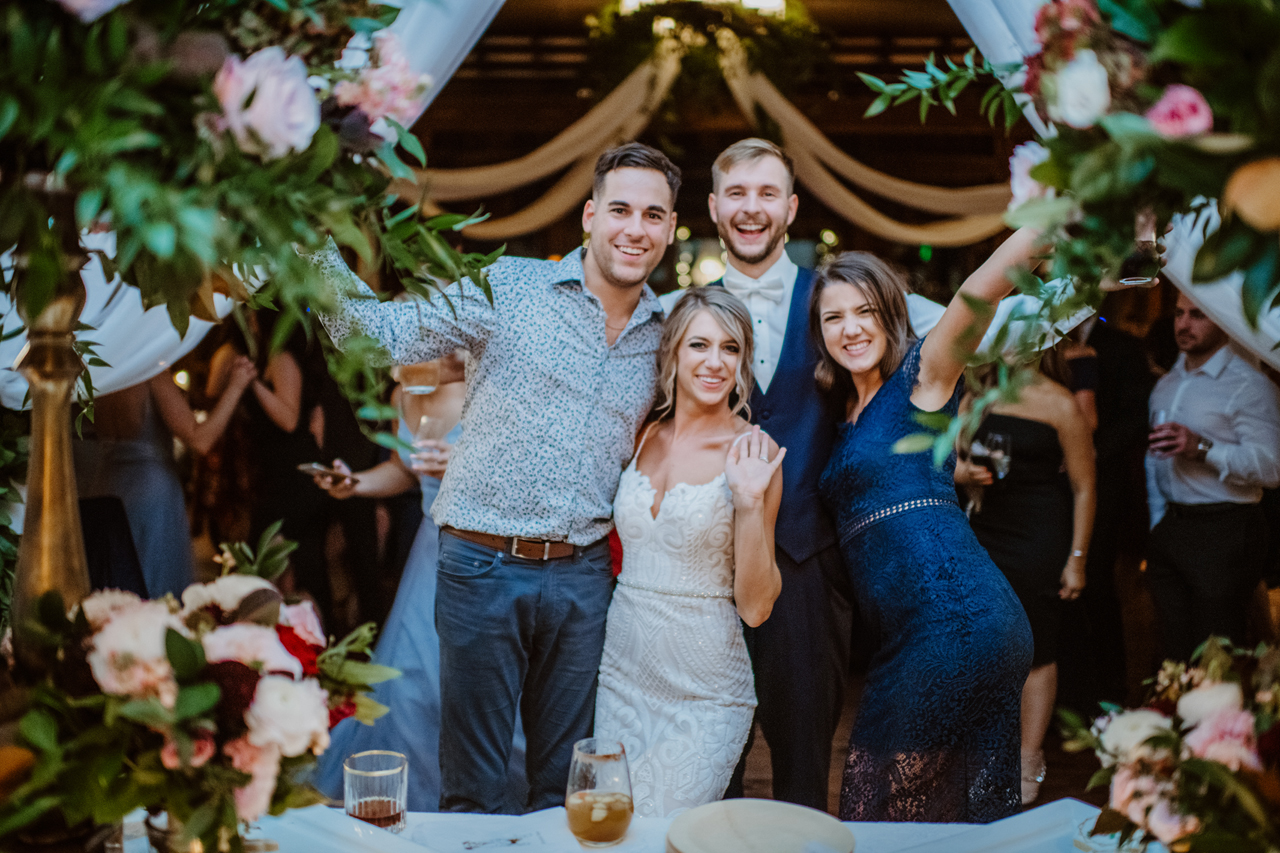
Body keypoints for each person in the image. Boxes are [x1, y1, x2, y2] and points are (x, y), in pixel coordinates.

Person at [661, 138, 1090, 810]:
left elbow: (983, 311)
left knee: (816, 778)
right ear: (713, 207)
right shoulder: (678, 311)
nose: (849, 327)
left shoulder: (884, 332)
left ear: (791, 207)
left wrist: (1078, 240)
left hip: (814, 574)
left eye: (767, 192)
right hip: (703, 574)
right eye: (736, 193)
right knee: (706, 768)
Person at [309, 143, 681, 813]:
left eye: (653, 215)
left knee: (565, 787)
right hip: (480, 566)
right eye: (621, 209)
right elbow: (378, 337)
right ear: (590, 216)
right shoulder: (509, 287)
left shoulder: (665, 333)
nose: (636, 228)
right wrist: (306, 247)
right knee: (474, 788)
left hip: (583, 578)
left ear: (672, 228)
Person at [813, 233, 1042, 822]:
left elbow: (979, 292)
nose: (851, 328)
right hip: (916, 634)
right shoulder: (842, 414)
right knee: (954, 819)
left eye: (865, 311)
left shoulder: (922, 376)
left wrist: (1069, 211)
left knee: (877, 817)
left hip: (954, 621)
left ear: (891, 315)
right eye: (834, 317)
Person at [594, 288, 784, 817]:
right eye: (699, 344)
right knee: (612, 830)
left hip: (705, 692)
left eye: (730, 348)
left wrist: (748, 503)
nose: (715, 361)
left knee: (665, 835)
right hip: (621, 677)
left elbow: (756, 607)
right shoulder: (643, 434)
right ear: (673, 352)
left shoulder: (754, 452)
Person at [956, 345, 1096, 805]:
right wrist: (963, 473)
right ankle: (984, 752)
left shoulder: (1061, 402)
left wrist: (1077, 559)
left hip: (1038, 535)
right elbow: (947, 457)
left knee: (1037, 647)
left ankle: (1029, 755)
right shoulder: (978, 394)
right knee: (982, 644)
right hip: (984, 530)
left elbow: (1084, 486)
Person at [1145, 293, 1280, 663]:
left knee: (1216, 653)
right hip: (1172, 526)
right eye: (1179, 314)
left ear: (1222, 319)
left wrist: (1203, 448)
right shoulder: (1167, 383)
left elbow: (1272, 468)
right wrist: (1158, 523)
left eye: (1197, 315)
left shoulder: (1249, 386)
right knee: (1172, 652)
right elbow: (1154, 457)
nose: (1184, 324)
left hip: (1226, 528)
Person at [75, 357, 258, 597]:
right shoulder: (150, 369)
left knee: (115, 583)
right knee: (156, 591)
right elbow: (200, 439)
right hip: (151, 493)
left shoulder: (100, 368)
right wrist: (236, 386)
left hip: (106, 485)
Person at [208, 313, 333, 624]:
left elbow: (289, 420)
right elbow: (212, 392)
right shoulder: (259, 359)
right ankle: (293, 631)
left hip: (295, 480)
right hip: (277, 479)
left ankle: (309, 632)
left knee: (292, 568)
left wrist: (252, 384)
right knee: (288, 570)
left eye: (251, 316)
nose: (247, 322)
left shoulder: (281, 357)